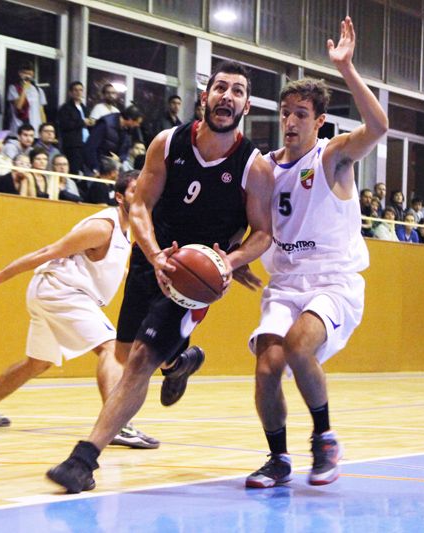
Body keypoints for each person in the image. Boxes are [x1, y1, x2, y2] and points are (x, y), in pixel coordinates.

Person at [47, 60, 275, 494]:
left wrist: (230, 260)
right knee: (123, 352)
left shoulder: (254, 166)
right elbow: (140, 206)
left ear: (246, 105)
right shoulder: (167, 143)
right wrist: (152, 253)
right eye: (220, 87)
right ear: (205, 97)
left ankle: (83, 460)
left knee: (139, 360)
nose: (227, 96)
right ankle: (181, 361)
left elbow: (263, 233)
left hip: (196, 279)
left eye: (238, 91)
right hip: (153, 258)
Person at [243, 17, 388, 490]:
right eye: (286, 112)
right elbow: (253, 226)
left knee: (299, 344)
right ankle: (278, 458)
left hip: (333, 282)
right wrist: (233, 258)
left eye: (301, 114)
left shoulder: (332, 157)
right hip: (284, 284)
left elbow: (379, 126)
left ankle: (324, 437)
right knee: (267, 367)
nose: (290, 120)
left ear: (318, 121)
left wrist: (346, 68)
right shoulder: (263, 167)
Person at [0, 171, 158, 448]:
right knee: (112, 348)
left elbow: (112, 268)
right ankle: (117, 425)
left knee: (37, 362)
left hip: (54, 293)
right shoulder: (103, 226)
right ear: (118, 196)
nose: (140, 196)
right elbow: (48, 251)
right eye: (133, 191)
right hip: (60, 291)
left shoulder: (131, 230)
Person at [83, 105, 144, 175]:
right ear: (130, 119)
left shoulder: (128, 130)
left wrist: (119, 159)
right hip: (95, 166)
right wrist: (95, 168)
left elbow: (125, 150)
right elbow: (90, 147)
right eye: (137, 122)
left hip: (112, 168)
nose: (138, 125)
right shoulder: (105, 123)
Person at [57, 81, 93, 175]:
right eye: (75, 90)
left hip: (86, 143)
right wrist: (82, 122)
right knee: (74, 170)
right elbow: (65, 125)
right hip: (73, 145)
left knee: (85, 170)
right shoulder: (65, 108)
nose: (78, 92)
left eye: (81, 90)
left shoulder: (84, 108)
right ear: (70, 92)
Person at [7, 63, 47, 135]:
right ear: (20, 73)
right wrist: (24, 89)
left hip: (35, 130)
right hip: (18, 129)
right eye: (25, 73)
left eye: (30, 74)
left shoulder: (38, 90)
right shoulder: (14, 88)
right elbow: (18, 106)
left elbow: (42, 112)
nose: (27, 76)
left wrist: (45, 129)